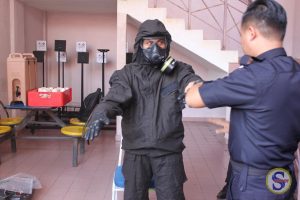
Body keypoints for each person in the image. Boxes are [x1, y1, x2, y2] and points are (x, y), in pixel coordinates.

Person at [185, 0, 300, 199]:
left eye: (241, 35)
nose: (241, 41)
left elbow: (193, 99)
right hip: (282, 178)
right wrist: (241, 129)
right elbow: (277, 112)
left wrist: (191, 85)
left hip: (255, 185)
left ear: (251, 32)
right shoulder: (295, 70)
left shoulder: (253, 76)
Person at [84, 19, 202, 200]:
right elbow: (114, 98)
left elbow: (192, 82)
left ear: (167, 44)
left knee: (172, 196)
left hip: (168, 151)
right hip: (136, 150)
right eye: (149, 43)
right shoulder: (127, 74)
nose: (155, 47)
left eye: (160, 42)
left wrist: (195, 89)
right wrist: (101, 111)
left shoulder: (179, 70)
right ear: (140, 45)